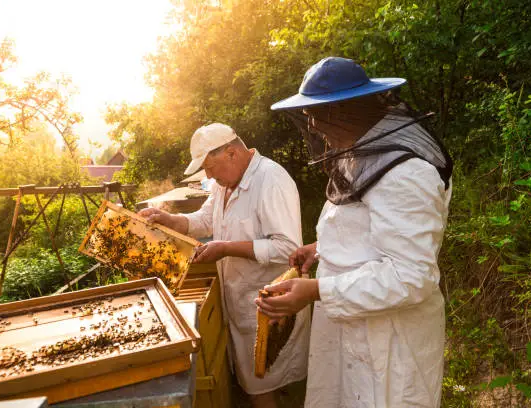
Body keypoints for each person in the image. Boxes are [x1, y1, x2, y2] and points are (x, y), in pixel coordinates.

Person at [255, 57, 453, 407]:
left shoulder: (406, 172)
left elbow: (412, 275)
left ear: (343, 110)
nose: (312, 126)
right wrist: (321, 248)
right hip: (354, 323)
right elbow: (370, 226)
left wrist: (316, 290)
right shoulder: (363, 149)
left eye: (316, 113)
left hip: (389, 340)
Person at [139, 123, 310, 408]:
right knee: (256, 385)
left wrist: (226, 248)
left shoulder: (271, 180)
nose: (208, 175)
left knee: (264, 389)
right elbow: (205, 220)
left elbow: (288, 248)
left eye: (210, 166)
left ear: (231, 153)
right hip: (243, 304)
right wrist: (167, 219)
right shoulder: (224, 185)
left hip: (271, 307)